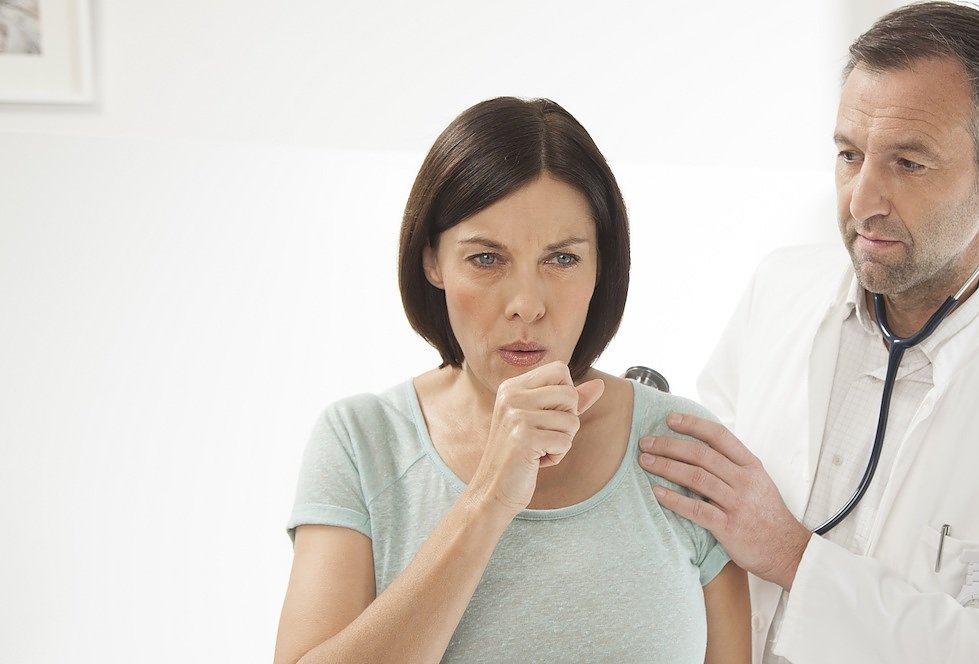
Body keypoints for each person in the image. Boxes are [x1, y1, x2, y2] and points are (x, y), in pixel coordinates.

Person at [637, 3, 979, 663]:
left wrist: (795, 560)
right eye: (849, 154)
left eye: (909, 163)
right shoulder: (779, 290)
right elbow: (696, 527)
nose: (862, 200)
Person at [274, 97, 750, 664]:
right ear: (432, 261)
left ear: (602, 265)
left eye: (562, 259)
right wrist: (490, 497)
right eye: (486, 259)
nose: (526, 303)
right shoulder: (362, 442)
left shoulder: (683, 448)